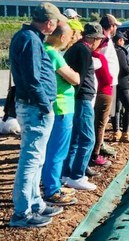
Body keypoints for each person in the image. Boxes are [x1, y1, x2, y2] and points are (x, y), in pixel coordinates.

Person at [9, 2, 67, 227]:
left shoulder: (30, 38)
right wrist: (45, 104)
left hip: (35, 106)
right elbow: (33, 79)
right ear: (49, 23)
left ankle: (35, 203)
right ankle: (22, 213)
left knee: (37, 158)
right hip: (35, 107)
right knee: (31, 159)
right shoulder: (29, 40)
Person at [62, 23, 105, 191]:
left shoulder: (76, 49)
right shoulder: (84, 51)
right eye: (99, 40)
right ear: (93, 39)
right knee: (88, 138)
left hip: (78, 98)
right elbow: (78, 78)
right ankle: (77, 175)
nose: (99, 43)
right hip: (82, 99)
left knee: (76, 138)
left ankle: (67, 173)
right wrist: (79, 95)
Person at [41, 23, 80, 206]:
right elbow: (74, 78)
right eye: (70, 36)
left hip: (57, 107)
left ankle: (52, 184)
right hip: (61, 107)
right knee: (57, 151)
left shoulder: (45, 49)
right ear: (62, 37)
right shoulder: (53, 53)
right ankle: (52, 190)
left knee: (53, 151)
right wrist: (73, 73)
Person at [98, 14, 122, 156]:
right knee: (103, 116)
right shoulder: (104, 40)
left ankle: (100, 143)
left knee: (105, 116)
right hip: (106, 82)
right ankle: (99, 145)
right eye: (115, 26)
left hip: (109, 82)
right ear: (111, 26)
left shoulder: (106, 39)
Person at [112, 31, 129, 143]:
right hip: (123, 82)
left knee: (116, 108)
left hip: (114, 82)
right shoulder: (120, 51)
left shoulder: (111, 50)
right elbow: (125, 68)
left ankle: (116, 131)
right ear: (120, 40)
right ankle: (125, 133)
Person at [90, 45, 113, 167]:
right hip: (104, 92)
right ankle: (95, 154)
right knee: (100, 124)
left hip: (96, 93)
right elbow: (107, 79)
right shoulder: (99, 57)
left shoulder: (87, 55)